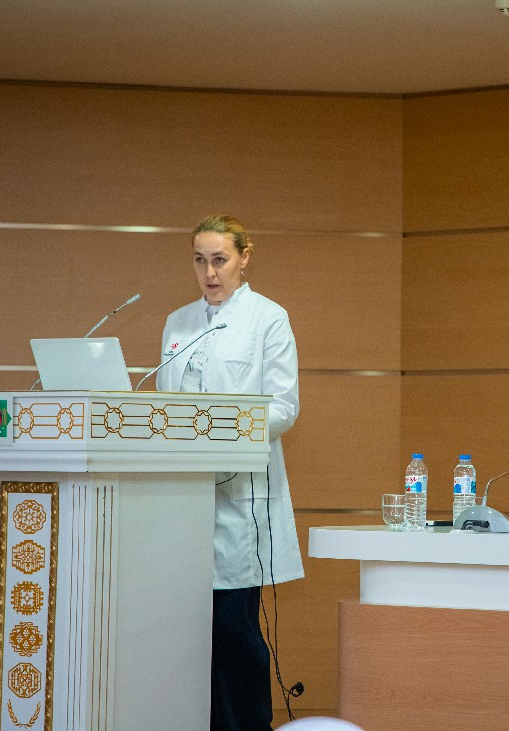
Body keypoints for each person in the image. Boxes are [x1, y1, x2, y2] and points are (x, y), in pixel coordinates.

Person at [157, 215, 303, 731]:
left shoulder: (269, 319)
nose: (210, 273)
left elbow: (283, 407)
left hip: (240, 500)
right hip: (181, 501)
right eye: (200, 260)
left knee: (232, 630)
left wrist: (219, 431)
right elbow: (165, 408)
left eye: (219, 260)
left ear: (245, 257)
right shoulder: (178, 323)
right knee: (188, 637)